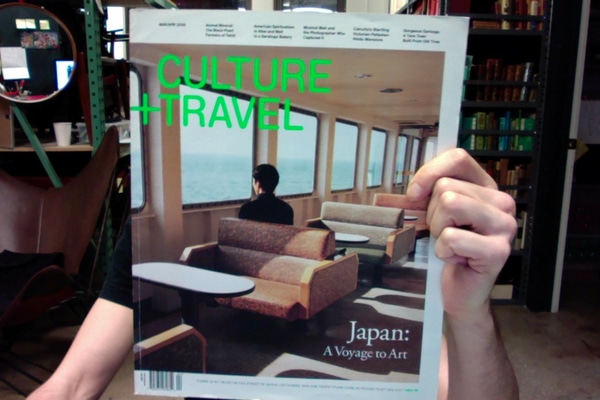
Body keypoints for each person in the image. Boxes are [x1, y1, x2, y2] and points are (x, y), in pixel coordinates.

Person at [27, 148, 518, 400]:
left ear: (256, 183)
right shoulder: (284, 212)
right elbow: (72, 384)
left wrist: (471, 315)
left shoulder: (246, 211)